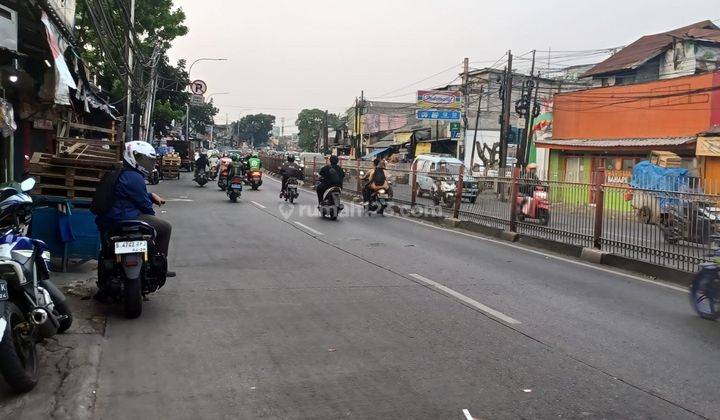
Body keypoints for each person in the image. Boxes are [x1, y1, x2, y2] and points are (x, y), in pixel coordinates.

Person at [94, 141, 175, 295]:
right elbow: (145, 206)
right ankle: (159, 262)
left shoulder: (117, 172)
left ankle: (104, 280)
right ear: (133, 157)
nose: (148, 164)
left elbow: (129, 195)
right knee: (165, 227)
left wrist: (150, 196)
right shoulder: (134, 177)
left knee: (105, 249)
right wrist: (150, 211)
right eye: (144, 159)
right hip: (127, 218)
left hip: (109, 221)